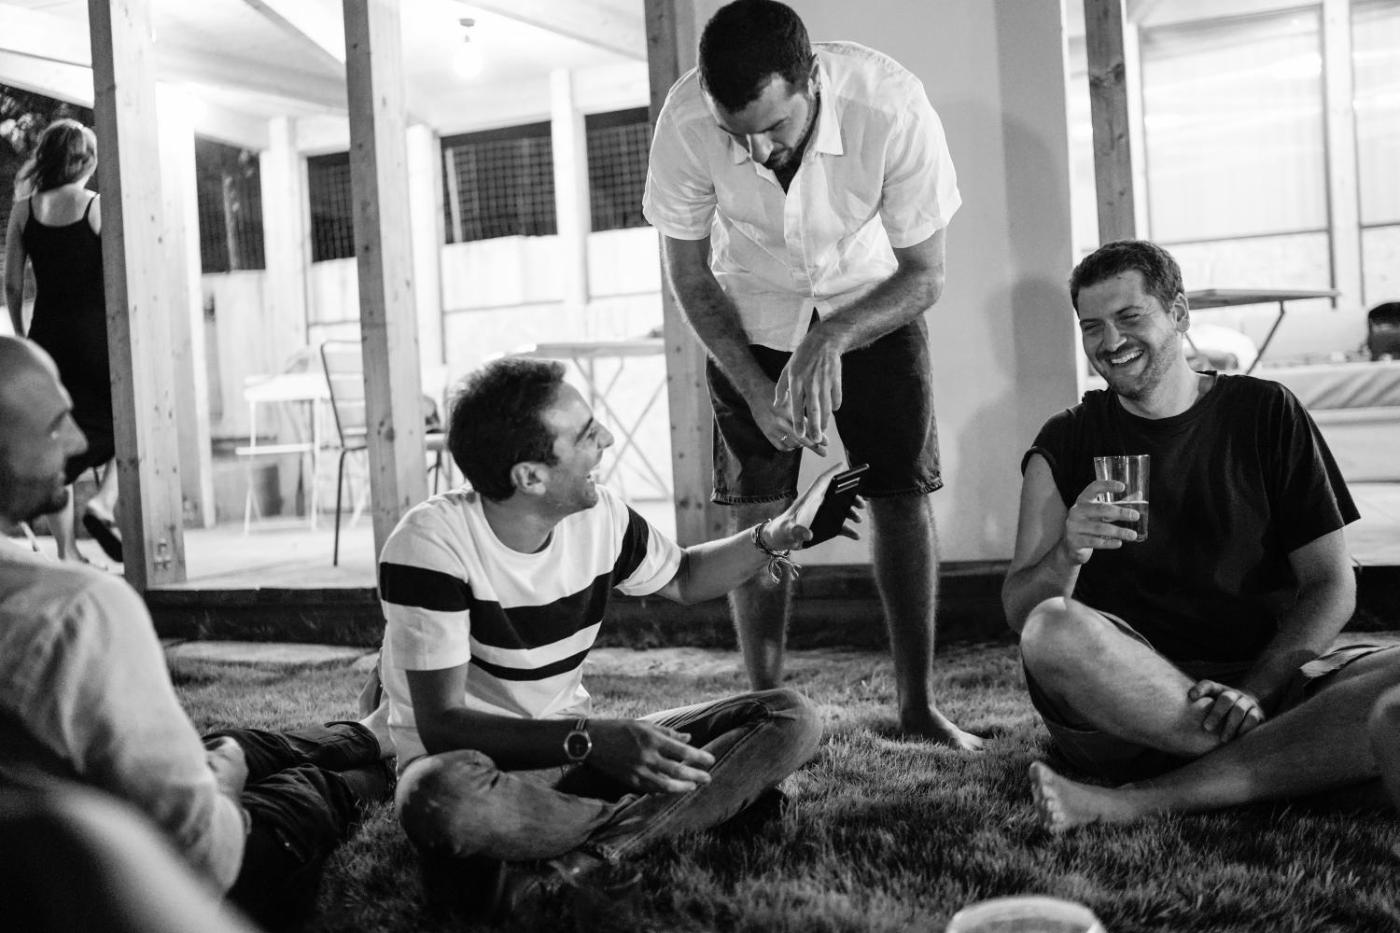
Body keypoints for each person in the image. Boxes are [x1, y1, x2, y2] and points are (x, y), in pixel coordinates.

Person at [373, 356, 836, 920]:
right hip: (479, 766)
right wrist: (592, 740)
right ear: (531, 477)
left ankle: (587, 856)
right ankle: (693, 809)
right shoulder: (429, 545)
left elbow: (686, 576)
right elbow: (442, 724)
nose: (608, 440)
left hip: (582, 757)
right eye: (587, 434)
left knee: (789, 716)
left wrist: (774, 535)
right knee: (439, 800)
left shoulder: (601, 517)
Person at [643, 0, 978, 748]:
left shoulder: (891, 105)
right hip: (750, 314)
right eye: (738, 134)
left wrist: (833, 336)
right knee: (758, 507)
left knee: (900, 491)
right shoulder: (686, 120)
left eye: (774, 127)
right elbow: (690, 276)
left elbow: (926, 274)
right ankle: (762, 708)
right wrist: (752, 384)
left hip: (872, 301)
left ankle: (918, 707)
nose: (757, 151)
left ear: (813, 82)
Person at [1001, 239, 1400, 833]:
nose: (1110, 341)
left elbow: (1331, 584)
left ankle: (1149, 797)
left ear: (1180, 313)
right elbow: (1020, 611)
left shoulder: (1266, 412)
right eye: (1092, 327)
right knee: (1051, 629)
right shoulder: (1066, 439)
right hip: (1129, 696)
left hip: (1266, 678)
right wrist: (1068, 552)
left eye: (1130, 317)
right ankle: (1290, 757)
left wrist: (1256, 691)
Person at [0, 335, 391, 931]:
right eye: (56, 427)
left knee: (231, 743)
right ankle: (385, 765)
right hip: (139, 878)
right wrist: (226, 789)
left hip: (69, 824)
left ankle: (368, 732)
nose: (79, 442)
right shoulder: (73, 609)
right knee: (306, 789)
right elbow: (205, 856)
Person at [4, 118, 121, 564]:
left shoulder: (23, 211)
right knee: (127, 422)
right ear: (86, 161)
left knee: (57, 433)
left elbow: (12, 284)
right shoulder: (96, 206)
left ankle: (67, 550)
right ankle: (103, 503)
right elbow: (118, 276)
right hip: (95, 336)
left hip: (47, 338)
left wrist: (24, 339)